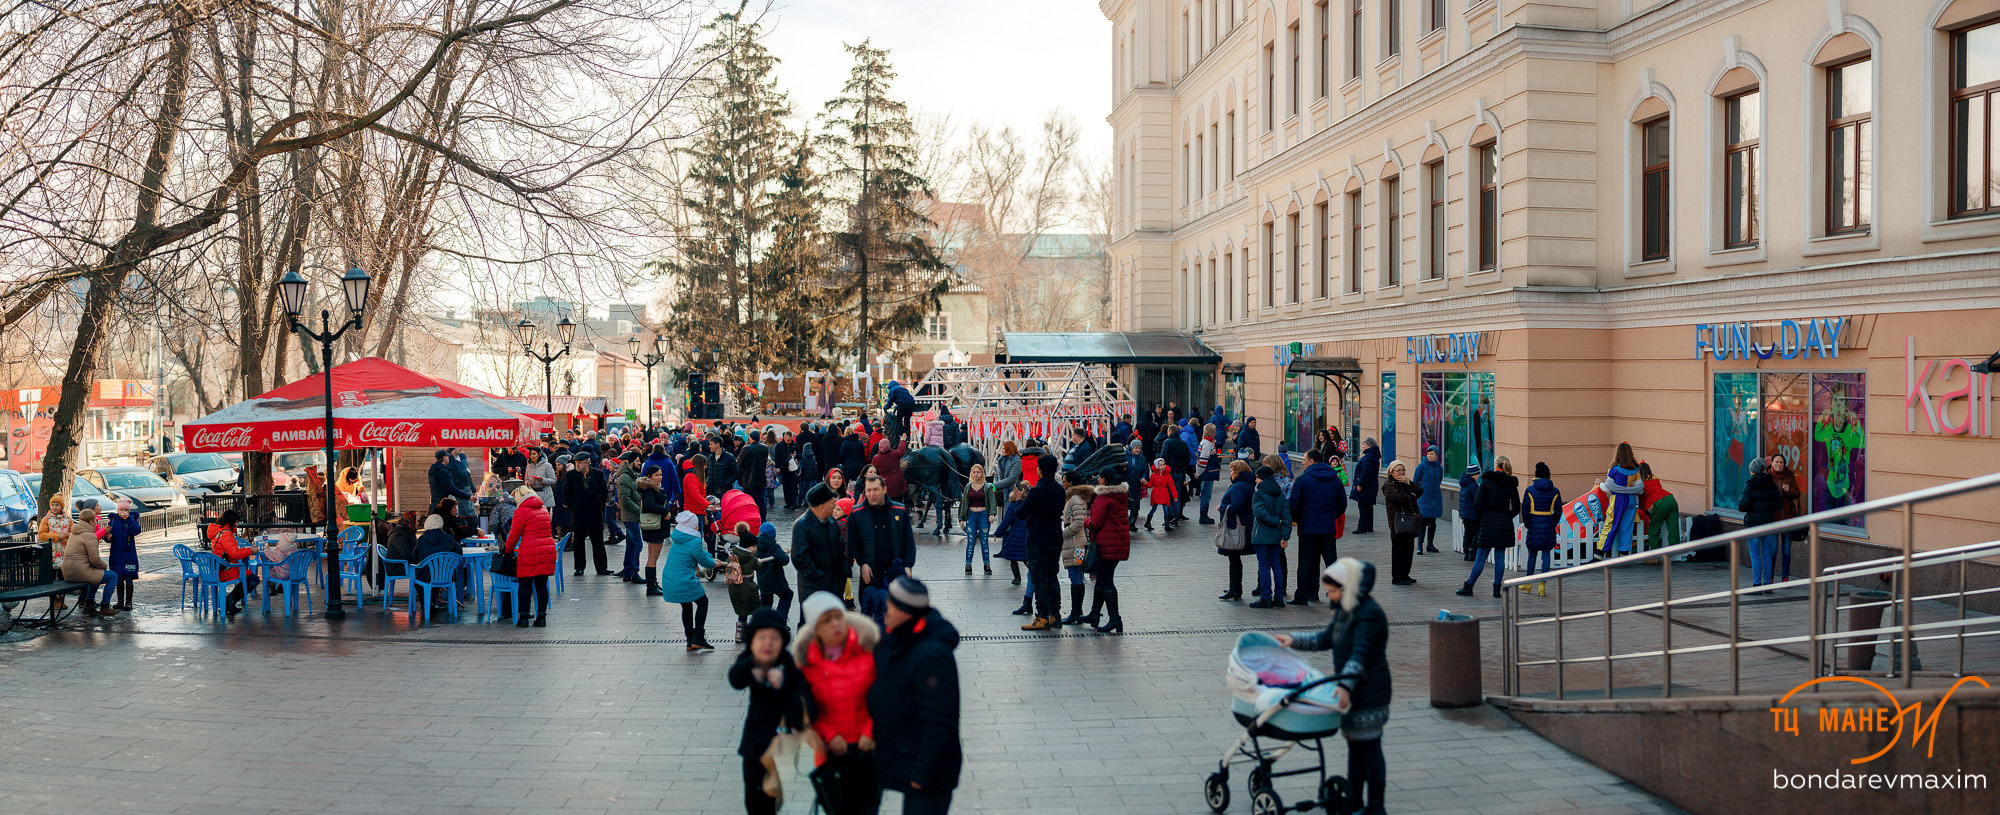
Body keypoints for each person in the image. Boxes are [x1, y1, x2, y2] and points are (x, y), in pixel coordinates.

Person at [1274, 559, 1391, 815]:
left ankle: (1376, 807)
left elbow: (1360, 655)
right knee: (1355, 748)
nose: (1329, 595)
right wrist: (1293, 640)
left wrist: (1345, 687)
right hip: (1351, 693)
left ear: (1347, 587)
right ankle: (1354, 802)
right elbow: (1325, 639)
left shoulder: (1368, 614)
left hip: (1370, 693)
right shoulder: (1345, 609)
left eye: (1332, 591)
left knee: (1369, 748)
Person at [865, 577, 961, 815]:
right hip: (902, 756)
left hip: (929, 771)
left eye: (890, 604)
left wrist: (922, 774)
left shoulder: (931, 656)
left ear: (905, 610)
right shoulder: (898, 639)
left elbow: (940, 720)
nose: (884, 608)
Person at [793, 591, 882, 814]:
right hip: (831, 754)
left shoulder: (869, 653)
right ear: (815, 629)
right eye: (826, 620)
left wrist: (870, 732)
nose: (835, 624)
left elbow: (884, 699)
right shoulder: (806, 665)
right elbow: (806, 713)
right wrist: (829, 736)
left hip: (867, 751)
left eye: (838, 616)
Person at [728, 607, 808, 815]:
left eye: (773, 638)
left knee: (774, 802)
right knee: (754, 803)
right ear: (752, 639)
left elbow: (802, 712)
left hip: (782, 749)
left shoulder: (787, 663)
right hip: (754, 746)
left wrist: (783, 686)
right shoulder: (748, 660)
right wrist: (752, 667)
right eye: (761, 637)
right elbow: (735, 679)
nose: (767, 643)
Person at [848, 475, 915, 628]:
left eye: (876, 490)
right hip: (870, 573)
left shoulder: (899, 510)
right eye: (869, 490)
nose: (872, 494)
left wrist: (908, 565)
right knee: (867, 614)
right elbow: (853, 544)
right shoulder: (857, 513)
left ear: (884, 489)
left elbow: (908, 541)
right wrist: (862, 563)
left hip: (894, 571)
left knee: (895, 613)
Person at [1289, 447, 1347, 605]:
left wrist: (1298, 519)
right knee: (1331, 562)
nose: (1302, 462)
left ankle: (1305, 595)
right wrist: (1331, 516)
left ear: (1312, 461)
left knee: (1306, 562)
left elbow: (1294, 504)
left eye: (1304, 460)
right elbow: (1342, 503)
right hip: (1328, 527)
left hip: (1308, 528)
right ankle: (1337, 594)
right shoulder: (1335, 479)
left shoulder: (1302, 480)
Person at [1458, 457, 1520, 599]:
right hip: (1503, 522)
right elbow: (1516, 507)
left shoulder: (1487, 481)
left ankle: (1469, 586)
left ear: (1496, 465)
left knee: (1480, 557)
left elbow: (1478, 504)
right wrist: (1506, 516)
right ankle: (1497, 589)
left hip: (1488, 521)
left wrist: (1484, 516)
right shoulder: (1511, 483)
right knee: (1499, 557)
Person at [1018, 455, 1067, 631]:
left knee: (1039, 578)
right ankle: (1055, 615)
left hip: (1038, 538)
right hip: (1055, 536)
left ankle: (1042, 616)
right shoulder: (1060, 489)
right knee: (1052, 576)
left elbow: (1021, 514)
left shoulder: (1037, 491)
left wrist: (1022, 497)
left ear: (1040, 469)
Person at [792, 484, 847, 627]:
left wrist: (844, 569)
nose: (835, 504)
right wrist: (820, 576)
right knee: (810, 627)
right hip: (813, 588)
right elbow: (800, 558)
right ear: (821, 506)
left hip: (834, 585)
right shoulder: (802, 525)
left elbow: (840, 547)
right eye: (831, 501)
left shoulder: (830, 521)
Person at [1083, 470, 1131, 633]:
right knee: (1102, 580)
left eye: (1101, 477)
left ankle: (1115, 619)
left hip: (1107, 543)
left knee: (1106, 580)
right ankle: (1094, 614)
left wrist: (1084, 521)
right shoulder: (1120, 495)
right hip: (1116, 541)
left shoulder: (1104, 497)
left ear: (1106, 480)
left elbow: (1095, 522)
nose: (1098, 479)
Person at [503, 486, 558, 626]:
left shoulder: (520, 511)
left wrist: (506, 550)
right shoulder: (543, 508)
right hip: (547, 550)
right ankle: (542, 617)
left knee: (525, 584)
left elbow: (514, 535)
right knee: (541, 585)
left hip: (529, 551)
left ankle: (524, 618)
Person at [665, 510, 719, 650]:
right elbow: (703, 561)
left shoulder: (679, 538)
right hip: (684, 579)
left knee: (686, 606)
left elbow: (700, 554)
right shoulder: (694, 540)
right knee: (703, 602)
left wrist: (710, 558)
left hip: (671, 578)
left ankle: (690, 640)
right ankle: (699, 637)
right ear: (694, 526)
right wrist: (715, 564)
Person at [1248, 465, 1292, 608]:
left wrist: (1274, 522)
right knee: (1276, 565)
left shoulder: (1259, 493)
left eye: (1257, 478)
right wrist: (1285, 535)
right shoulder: (1280, 494)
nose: (1256, 481)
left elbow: (1259, 513)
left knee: (1264, 566)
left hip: (1261, 534)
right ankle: (1279, 597)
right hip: (1276, 537)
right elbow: (1286, 516)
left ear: (1262, 478)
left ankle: (1266, 597)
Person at [61, 507, 118, 617]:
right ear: (91, 521)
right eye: (95, 520)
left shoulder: (74, 533)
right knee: (113, 576)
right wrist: (105, 566)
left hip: (68, 572)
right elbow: (95, 560)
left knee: (96, 575)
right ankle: (105, 606)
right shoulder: (89, 536)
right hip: (79, 572)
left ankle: (89, 605)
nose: (96, 523)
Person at [1739, 458, 1785, 592]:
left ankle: (1757, 584)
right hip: (1768, 523)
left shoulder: (1750, 484)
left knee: (1754, 553)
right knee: (1766, 552)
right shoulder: (1771, 483)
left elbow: (1743, 505)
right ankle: (1768, 585)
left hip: (1753, 524)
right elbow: (1779, 504)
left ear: (1753, 470)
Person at [1056, 471, 1094, 625]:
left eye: (1064, 481)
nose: (1063, 483)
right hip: (1076, 541)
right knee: (1077, 576)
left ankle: (1076, 612)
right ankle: (1077, 611)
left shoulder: (1075, 499)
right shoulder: (1075, 498)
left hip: (1075, 542)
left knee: (1076, 576)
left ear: (1071, 483)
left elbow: (1079, 521)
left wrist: (1064, 533)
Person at [563, 454, 612, 576]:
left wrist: (599, 505)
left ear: (587, 462)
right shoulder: (570, 475)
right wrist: (573, 506)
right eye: (576, 463)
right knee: (579, 541)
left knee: (598, 541)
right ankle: (579, 567)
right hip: (578, 513)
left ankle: (601, 567)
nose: (577, 465)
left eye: (580, 462)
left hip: (594, 512)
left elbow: (604, 491)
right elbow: (566, 494)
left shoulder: (598, 474)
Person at [1519, 463, 1563, 596]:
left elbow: (1525, 510)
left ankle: (1528, 583)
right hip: (1548, 525)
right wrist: (1552, 522)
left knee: (1532, 554)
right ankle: (1542, 586)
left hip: (1534, 524)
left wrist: (1528, 523)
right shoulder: (1555, 491)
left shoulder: (1530, 490)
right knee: (1546, 554)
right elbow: (1558, 511)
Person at [1215, 460, 1256, 601]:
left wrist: (1222, 507)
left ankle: (1235, 590)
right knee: (1235, 560)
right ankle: (1234, 587)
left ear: (1237, 472)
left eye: (1232, 471)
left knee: (1234, 559)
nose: (1230, 473)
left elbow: (1236, 506)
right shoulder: (1248, 484)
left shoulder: (1239, 487)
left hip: (1236, 528)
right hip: (1244, 526)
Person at [207, 510, 260, 615]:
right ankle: (230, 600)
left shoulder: (219, 531)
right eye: (236, 521)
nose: (237, 523)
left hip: (218, 568)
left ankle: (230, 601)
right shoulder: (226, 533)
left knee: (247, 576)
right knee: (253, 579)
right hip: (225, 570)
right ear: (232, 521)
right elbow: (235, 554)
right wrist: (250, 550)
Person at [1596, 442, 1644, 558]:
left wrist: (1599, 483)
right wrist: (1629, 490)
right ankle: (1624, 556)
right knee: (1627, 527)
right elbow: (1640, 488)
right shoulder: (1636, 468)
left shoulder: (1613, 468)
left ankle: (1598, 554)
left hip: (1617, 500)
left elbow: (1608, 488)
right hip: (1631, 500)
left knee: (1610, 526)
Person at [1380, 461, 1422, 586]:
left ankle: (1405, 574)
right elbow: (1400, 498)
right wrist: (1411, 496)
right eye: (1398, 470)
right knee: (1399, 549)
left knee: (1409, 549)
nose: (1401, 472)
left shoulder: (1405, 483)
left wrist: (1408, 483)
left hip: (1409, 520)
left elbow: (1419, 492)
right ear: (1391, 472)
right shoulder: (1389, 485)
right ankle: (1397, 577)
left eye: (1403, 469)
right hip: (1397, 522)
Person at [993, 483, 1031, 605]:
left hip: (1014, 536)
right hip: (1026, 536)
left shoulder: (1013, 506)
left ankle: (1017, 577)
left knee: (1012, 559)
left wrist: (997, 533)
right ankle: (1035, 572)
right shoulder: (1029, 505)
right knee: (1026, 558)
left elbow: (1005, 522)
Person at [104, 498, 142, 611]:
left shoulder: (132, 519)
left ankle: (128, 602)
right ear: (117, 510)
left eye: (126, 510)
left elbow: (136, 531)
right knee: (119, 577)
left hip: (128, 553)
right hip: (116, 554)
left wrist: (129, 519)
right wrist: (107, 537)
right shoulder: (113, 520)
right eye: (121, 510)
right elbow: (108, 536)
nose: (123, 512)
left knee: (129, 577)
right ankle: (120, 601)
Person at [641, 466, 673, 596]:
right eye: (656, 475)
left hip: (657, 526)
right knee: (653, 558)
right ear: (649, 477)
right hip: (654, 527)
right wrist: (665, 511)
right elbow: (649, 505)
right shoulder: (649, 490)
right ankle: (651, 586)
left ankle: (653, 583)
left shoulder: (655, 488)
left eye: (660, 475)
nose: (659, 477)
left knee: (654, 557)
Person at [1766, 455, 1799, 578]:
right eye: (1776, 462)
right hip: (1773, 519)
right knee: (1773, 550)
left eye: (1781, 462)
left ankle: (1785, 577)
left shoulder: (1789, 476)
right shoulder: (1767, 477)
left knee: (1786, 550)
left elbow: (1797, 493)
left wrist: (1789, 490)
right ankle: (1770, 576)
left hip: (1787, 518)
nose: (1779, 465)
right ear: (1772, 463)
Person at [615, 454, 645, 583]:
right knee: (638, 544)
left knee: (631, 544)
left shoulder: (631, 475)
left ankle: (628, 571)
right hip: (630, 515)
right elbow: (625, 499)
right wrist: (640, 511)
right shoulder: (625, 477)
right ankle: (634, 572)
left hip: (631, 515)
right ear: (630, 462)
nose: (639, 463)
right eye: (637, 461)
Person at [754, 522, 793, 622]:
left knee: (766, 602)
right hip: (776, 581)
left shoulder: (756, 546)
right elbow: (785, 560)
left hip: (763, 581)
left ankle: (763, 623)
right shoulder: (774, 546)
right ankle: (780, 620)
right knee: (787, 595)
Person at [1411, 447, 1444, 555]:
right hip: (1424, 498)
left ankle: (1430, 544)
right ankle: (1419, 545)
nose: (1429, 455)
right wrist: (1420, 493)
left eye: (1432, 454)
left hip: (1435, 498)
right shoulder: (1422, 466)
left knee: (1433, 522)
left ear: (1436, 456)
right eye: (1428, 453)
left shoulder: (1440, 468)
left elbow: (1438, 481)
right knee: (1423, 522)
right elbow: (1415, 482)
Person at [960, 463, 992, 576]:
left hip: (983, 515)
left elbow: (992, 502)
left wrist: (992, 514)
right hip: (971, 515)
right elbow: (964, 504)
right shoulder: (968, 487)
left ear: (982, 473)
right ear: (971, 474)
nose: (976, 474)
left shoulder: (987, 487)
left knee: (984, 541)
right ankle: (968, 564)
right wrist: (962, 518)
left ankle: (987, 564)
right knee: (971, 541)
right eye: (974, 472)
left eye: (978, 472)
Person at [1350, 438, 1380, 534]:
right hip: (1371, 485)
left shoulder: (1368, 457)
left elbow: (1365, 472)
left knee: (1363, 506)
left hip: (1366, 486)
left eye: (1364, 445)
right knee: (1368, 506)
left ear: (1369, 446)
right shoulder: (1373, 456)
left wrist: (1360, 484)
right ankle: (1368, 526)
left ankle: (1362, 527)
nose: (1362, 447)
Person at [1454, 463, 1482, 561]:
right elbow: (1477, 500)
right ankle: (1472, 551)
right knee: (1476, 532)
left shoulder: (1464, 484)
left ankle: (1466, 552)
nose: (1478, 476)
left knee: (1468, 533)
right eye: (1477, 474)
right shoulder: (1473, 485)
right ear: (1474, 475)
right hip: (1473, 514)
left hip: (1465, 514)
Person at [1141, 458, 1177, 531]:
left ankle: (1167, 524)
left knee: (1166, 509)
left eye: (1164, 465)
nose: (1163, 466)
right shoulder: (1153, 475)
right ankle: (1148, 522)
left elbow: (1172, 486)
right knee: (1154, 509)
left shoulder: (1168, 475)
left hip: (1164, 494)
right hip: (1156, 494)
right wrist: (1145, 484)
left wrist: (1175, 496)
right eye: (1161, 465)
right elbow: (1151, 484)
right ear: (1157, 466)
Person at [869, 437, 909, 503]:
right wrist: (902, 441)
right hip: (897, 485)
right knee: (897, 505)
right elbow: (901, 450)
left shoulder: (875, 459)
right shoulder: (895, 454)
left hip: (883, 486)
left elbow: (872, 471)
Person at [739, 432, 770, 516]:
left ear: (751, 438)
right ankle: (762, 517)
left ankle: (752, 516)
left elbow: (739, 463)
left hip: (749, 479)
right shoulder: (764, 448)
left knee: (750, 501)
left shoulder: (747, 449)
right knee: (761, 500)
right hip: (760, 478)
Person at [1196, 423, 1221, 524]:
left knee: (1206, 494)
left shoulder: (1207, 442)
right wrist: (1198, 473)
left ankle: (1204, 514)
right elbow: (1203, 460)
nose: (1216, 432)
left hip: (1208, 473)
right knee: (1206, 494)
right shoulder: (1207, 444)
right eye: (1215, 431)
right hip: (1207, 473)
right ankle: (1203, 515)